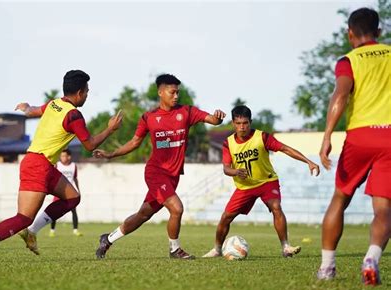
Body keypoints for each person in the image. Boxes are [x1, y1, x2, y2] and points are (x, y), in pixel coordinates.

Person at [0, 70, 123, 262]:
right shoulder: (73, 115)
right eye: (87, 91)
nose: (88, 95)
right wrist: (110, 129)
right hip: (37, 165)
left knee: (72, 198)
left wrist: (26, 107)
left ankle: (31, 232)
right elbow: (89, 144)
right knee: (23, 217)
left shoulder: (54, 103)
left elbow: (34, 111)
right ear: (80, 92)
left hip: (45, 165)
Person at [93, 74, 226, 259]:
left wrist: (218, 118)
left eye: (178, 92)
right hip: (156, 172)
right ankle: (174, 249)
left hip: (173, 176)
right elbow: (134, 142)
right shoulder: (149, 117)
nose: (176, 96)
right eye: (172, 92)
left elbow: (212, 119)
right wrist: (110, 154)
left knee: (143, 215)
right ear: (161, 92)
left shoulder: (187, 112)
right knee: (177, 209)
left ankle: (107, 239)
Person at [316, 8, 390, 285]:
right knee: (384, 209)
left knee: (339, 199)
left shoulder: (348, 60)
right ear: (379, 32)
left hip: (361, 136)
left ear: (350, 34)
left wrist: (327, 136)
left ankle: (327, 268)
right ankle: (371, 256)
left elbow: (340, 94)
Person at [203, 105, 320, 258]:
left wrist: (308, 161)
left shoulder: (262, 137)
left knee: (276, 207)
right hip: (244, 187)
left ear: (250, 122)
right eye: (238, 123)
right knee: (225, 218)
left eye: (245, 123)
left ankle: (286, 247)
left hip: (267, 182)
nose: (242, 127)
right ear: (233, 123)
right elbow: (226, 168)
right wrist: (236, 171)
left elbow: (284, 148)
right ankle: (217, 249)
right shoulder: (228, 143)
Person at [48, 148, 83, 237]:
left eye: (64, 156)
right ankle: (52, 230)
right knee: (54, 211)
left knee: (74, 211)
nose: (62, 157)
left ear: (69, 157)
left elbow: (75, 178)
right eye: (61, 156)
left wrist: (78, 190)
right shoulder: (58, 165)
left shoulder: (73, 166)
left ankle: (75, 230)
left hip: (70, 192)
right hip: (59, 191)